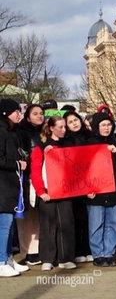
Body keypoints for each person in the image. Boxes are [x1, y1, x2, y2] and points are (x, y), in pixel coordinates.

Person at [30, 116, 77, 271]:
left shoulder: (68, 144)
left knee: (66, 224)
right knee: (48, 225)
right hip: (47, 192)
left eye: (65, 127)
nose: (64, 130)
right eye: (60, 127)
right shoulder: (41, 145)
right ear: (51, 128)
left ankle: (66, 258)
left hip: (66, 191)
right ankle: (48, 259)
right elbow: (36, 170)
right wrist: (40, 191)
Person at [85, 113, 116, 266]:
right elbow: (82, 169)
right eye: (103, 125)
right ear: (97, 127)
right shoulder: (88, 144)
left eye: (109, 125)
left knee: (112, 223)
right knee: (96, 224)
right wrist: (86, 189)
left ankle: (109, 253)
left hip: (114, 191)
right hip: (95, 192)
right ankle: (97, 254)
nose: (106, 128)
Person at [0, 99, 30, 277]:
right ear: (5, 113)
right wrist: (18, 164)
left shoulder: (13, 132)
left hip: (12, 185)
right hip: (3, 186)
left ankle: (8, 258)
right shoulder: (1, 132)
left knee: (10, 225)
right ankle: (1, 261)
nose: (19, 114)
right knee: (4, 225)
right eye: (15, 111)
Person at [15, 104, 43, 266]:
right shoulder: (21, 133)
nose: (39, 116)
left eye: (41, 113)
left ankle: (41, 248)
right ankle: (29, 251)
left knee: (42, 216)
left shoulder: (46, 131)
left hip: (44, 177)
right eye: (35, 113)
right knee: (28, 216)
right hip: (28, 178)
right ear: (28, 116)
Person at [63, 111, 92, 263]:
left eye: (76, 120)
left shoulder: (89, 137)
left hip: (90, 183)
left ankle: (88, 249)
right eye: (70, 122)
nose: (75, 123)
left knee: (88, 219)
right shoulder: (65, 140)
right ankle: (77, 250)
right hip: (73, 186)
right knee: (75, 219)